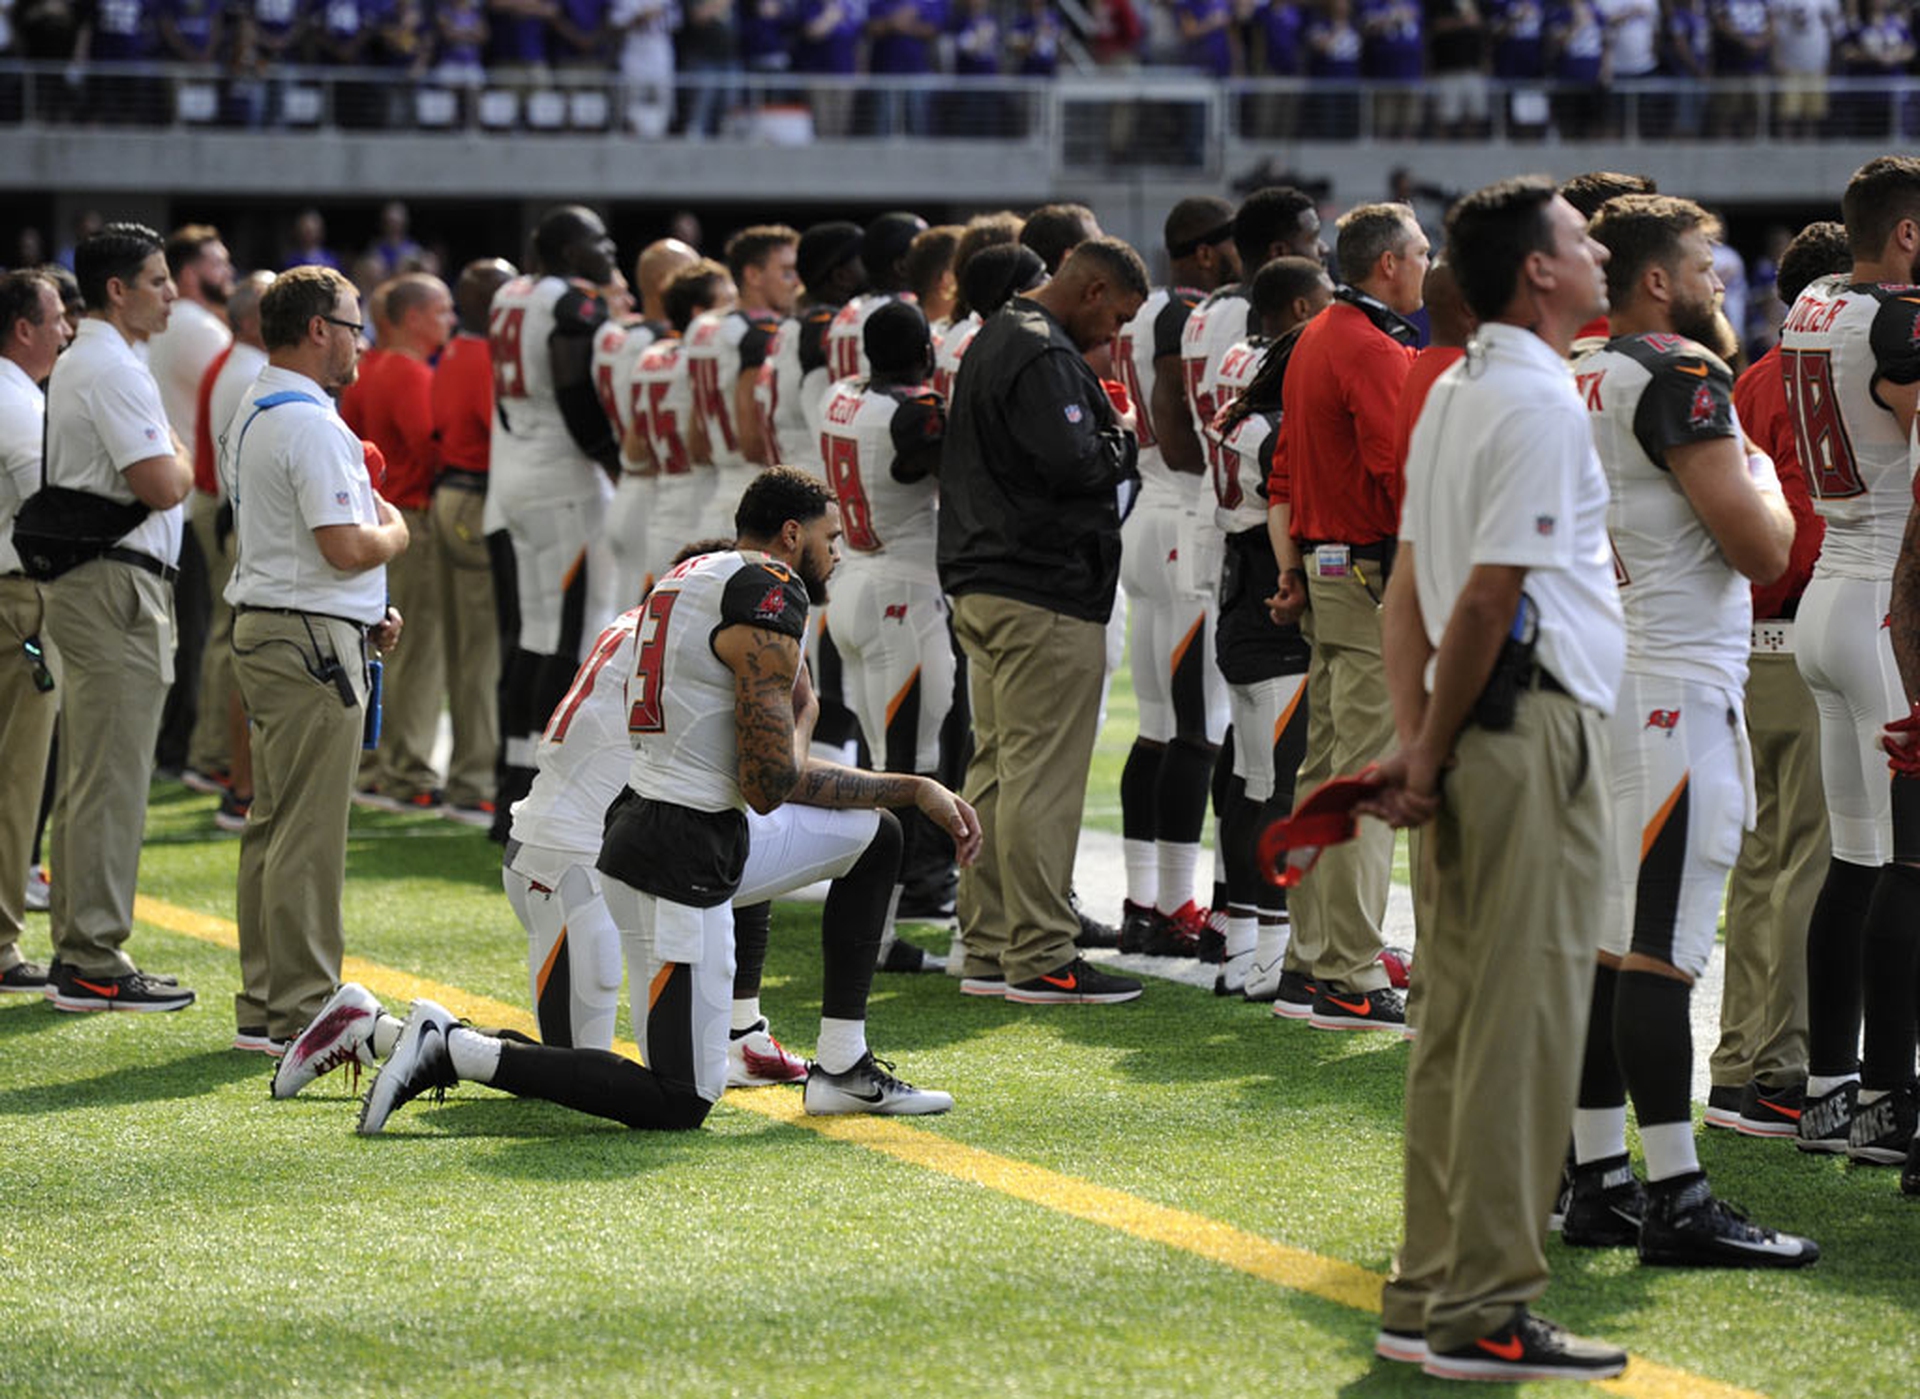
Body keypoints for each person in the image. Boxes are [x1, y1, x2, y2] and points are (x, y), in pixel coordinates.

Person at [348, 469, 976, 1132]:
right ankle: (444, 1045)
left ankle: (815, 1055)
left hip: (634, 832)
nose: (839, 550)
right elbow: (769, 786)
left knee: (876, 835)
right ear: (792, 535)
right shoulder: (770, 589)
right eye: (830, 535)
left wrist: (910, 787)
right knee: (674, 1095)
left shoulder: (688, 575)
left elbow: (740, 763)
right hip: (671, 852)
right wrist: (807, 713)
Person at [1367, 175, 1627, 1382]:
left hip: (1470, 732)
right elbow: (1483, 595)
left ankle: (1426, 1290)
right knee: (1522, 1025)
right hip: (1524, 732)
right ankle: (1487, 1309)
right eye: (1582, 242)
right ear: (1538, 269)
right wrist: (1424, 745)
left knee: (1455, 1023)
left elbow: (1410, 587)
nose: (1599, 257)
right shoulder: (1529, 397)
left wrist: (1419, 738)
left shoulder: (1457, 388)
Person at [1565, 193, 1812, 1266]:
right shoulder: (1675, 373)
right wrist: (1763, 474)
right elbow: (1761, 551)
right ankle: (1676, 1195)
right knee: (1660, 953)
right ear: (1654, 279)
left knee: (1614, 951)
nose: (1721, 279)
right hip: (1673, 681)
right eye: (1704, 263)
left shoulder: (1570, 365)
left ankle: (1598, 1178)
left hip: (1604, 673)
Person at [939, 237, 1150, 1005]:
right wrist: (1122, 432)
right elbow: (1079, 465)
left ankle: (991, 941)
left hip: (984, 575)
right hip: (1042, 585)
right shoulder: (1042, 352)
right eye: (1118, 316)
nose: (1116, 336)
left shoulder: (997, 333)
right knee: (1039, 774)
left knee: (996, 765)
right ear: (1092, 289)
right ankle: (1039, 950)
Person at [223, 265, 408, 1052]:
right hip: (304, 639)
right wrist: (396, 532)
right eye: (353, 324)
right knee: (307, 829)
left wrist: (367, 611)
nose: (360, 341)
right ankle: (302, 1008)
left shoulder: (259, 404)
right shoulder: (309, 420)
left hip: (286, 627)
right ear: (318, 330)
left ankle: (270, 1001)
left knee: (275, 823)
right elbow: (343, 547)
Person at [1782, 155, 1920, 1166]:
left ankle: (1834, 1082)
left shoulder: (1817, 300)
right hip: (1883, 600)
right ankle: (1886, 1099)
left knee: (1856, 858)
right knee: (1905, 867)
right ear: (1906, 235)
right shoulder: (1892, 316)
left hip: (1829, 587)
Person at [1265, 201, 1426, 1031]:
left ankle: (1313, 955)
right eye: (1421, 254)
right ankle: (1350, 971)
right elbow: (1398, 470)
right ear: (1390, 265)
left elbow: (1283, 472)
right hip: (1367, 572)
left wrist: (1291, 567)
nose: (1428, 267)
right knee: (1365, 768)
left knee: (1326, 765)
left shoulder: (1318, 336)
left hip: (1327, 568)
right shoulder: (1368, 344)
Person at [1707, 219, 1849, 1137]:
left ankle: (1735, 1060)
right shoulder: (1819, 372)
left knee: (1757, 862)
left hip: (1738, 639)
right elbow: (1798, 518)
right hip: (1798, 633)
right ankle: (1777, 1069)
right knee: (1809, 862)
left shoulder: (1751, 375)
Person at [41, 223, 197, 1014]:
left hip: (102, 583)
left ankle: (83, 944)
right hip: (116, 587)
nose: (172, 293)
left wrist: (175, 455)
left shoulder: (99, 360)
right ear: (117, 289)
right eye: (159, 280)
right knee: (111, 776)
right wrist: (179, 455)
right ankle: (93, 956)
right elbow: (167, 483)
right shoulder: (109, 365)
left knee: (94, 774)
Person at [1112, 195, 1241, 954]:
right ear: (1203, 250)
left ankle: (1146, 901)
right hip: (1186, 519)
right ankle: (1173, 905)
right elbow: (1173, 425)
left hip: (1152, 516)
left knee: (1161, 728)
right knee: (1202, 730)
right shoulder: (1183, 313)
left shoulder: (1155, 311)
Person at [1202, 255, 1332, 997]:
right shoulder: (1276, 429)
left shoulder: (1235, 410)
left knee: (1253, 783)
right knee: (1275, 787)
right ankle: (1268, 956)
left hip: (1236, 593)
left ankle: (1243, 947)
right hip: (1271, 601)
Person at [819, 300, 952, 974]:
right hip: (903, 593)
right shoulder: (915, 411)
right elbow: (949, 470)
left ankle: (871, 924)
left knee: (876, 766)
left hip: (853, 584)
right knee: (907, 769)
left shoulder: (840, 394)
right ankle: (877, 930)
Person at [485, 206, 622, 840]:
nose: (608, 248)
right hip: (562, 476)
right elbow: (574, 393)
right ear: (569, 251)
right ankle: (543, 791)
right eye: (596, 240)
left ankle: (512, 781)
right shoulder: (574, 304)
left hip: (519, 470)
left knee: (535, 634)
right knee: (569, 635)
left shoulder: (509, 292)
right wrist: (613, 460)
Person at [353, 272, 455, 812]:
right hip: (408, 514)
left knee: (384, 645)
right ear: (412, 318)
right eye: (441, 310)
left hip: (371, 517)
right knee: (417, 652)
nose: (450, 320)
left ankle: (372, 764)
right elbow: (428, 444)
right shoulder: (410, 371)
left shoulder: (365, 367)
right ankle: (409, 768)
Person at [429, 258, 516, 827]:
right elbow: (497, 434)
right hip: (476, 497)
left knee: (466, 647)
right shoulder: (485, 356)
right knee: (481, 650)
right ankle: (475, 776)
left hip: (450, 494)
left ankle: (467, 772)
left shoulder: (454, 352)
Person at [0, 271, 68, 994]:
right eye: (55, 319)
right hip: (18, 599)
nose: (66, 330)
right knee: (16, 780)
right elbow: (49, 508)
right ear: (23, 328)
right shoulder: (18, 402)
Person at [190, 269, 276, 831]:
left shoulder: (237, 363)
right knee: (235, 642)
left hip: (225, 509)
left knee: (226, 639)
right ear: (251, 320)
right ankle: (222, 761)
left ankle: (213, 756)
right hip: (239, 517)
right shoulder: (249, 371)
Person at [148, 224, 233, 781]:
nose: (227, 271)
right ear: (187, 274)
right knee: (198, 633)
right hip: (190, 497)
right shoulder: (201, 329)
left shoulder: (170, 325)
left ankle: (176, 747)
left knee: (189, 633)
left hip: (173, 499)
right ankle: (185, 749)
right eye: (216, 263)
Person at [683, 224, 798, 537]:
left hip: (715, 489)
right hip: (755, 491)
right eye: (786, 272)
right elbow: (751, 441)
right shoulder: (761, 331)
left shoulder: (702, 327)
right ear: (753, 275)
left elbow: (696, 441)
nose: (796, 282)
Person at [632, 260, 736, 593]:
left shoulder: (649, 356)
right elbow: (702, 446)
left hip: (661, 504)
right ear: (699, 314)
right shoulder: (699, 360)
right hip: (699, 509)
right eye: (727, 300)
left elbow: (633, 453)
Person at [755, 220, 865, 474]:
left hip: (794, 471)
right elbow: (824, 420)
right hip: (817, 481)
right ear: (841, 275)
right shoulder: (821, 328)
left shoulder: (790, 327)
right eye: (863, 260)